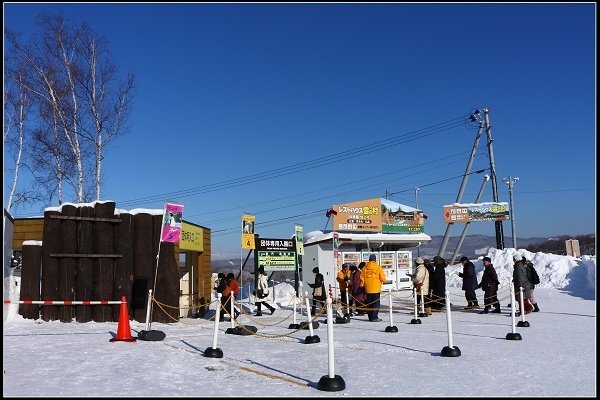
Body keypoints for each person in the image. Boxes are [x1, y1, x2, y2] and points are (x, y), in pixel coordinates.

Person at [360, 254, 386, 322]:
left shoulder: (364, 268)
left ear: (369, 259)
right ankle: (374, 317)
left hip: (367, 289)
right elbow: (383, 278)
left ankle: (370, 317)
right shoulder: (378, 267)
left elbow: (361, 278)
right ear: (375, 260)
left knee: (369, 304)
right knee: (376, 304)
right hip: (376, 289)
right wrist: (384, 281)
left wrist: (362, 285)